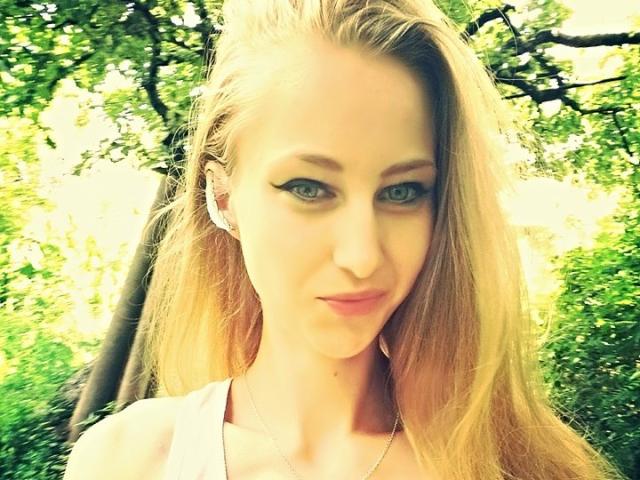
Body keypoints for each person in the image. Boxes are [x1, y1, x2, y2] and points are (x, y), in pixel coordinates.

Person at [63, 0, 622, 479]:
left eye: (402, 192)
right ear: (224, 197)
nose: (361, 256)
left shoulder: (516, 466)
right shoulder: (128, 461)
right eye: (308, 188)